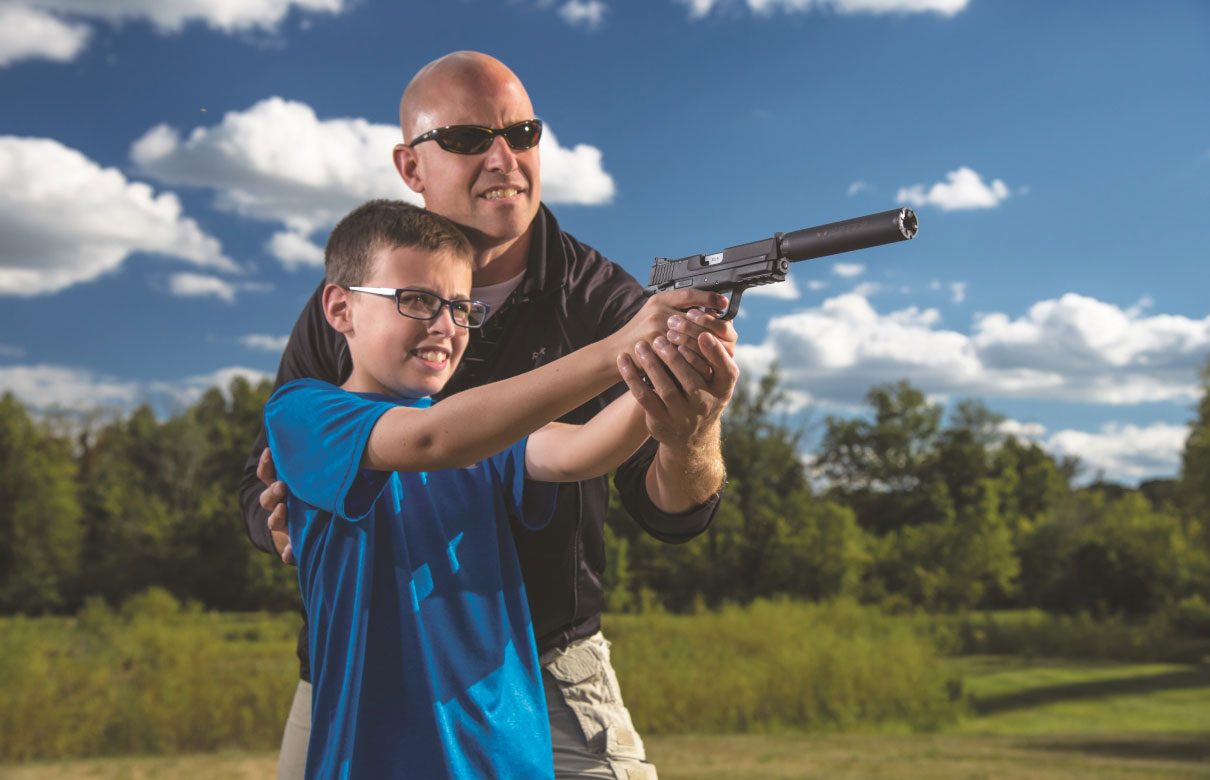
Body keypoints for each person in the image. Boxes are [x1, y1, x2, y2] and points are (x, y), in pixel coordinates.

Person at [240, 51, 738, 780]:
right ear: (411, 168)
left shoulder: (605, 300)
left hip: (532, 684)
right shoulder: (344, 323)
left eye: (524, 132)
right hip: (356, 677)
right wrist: (277, 516)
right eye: (470, 138)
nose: (504, 156)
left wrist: (668, 376)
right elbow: (418, 439)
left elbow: (595, 462)